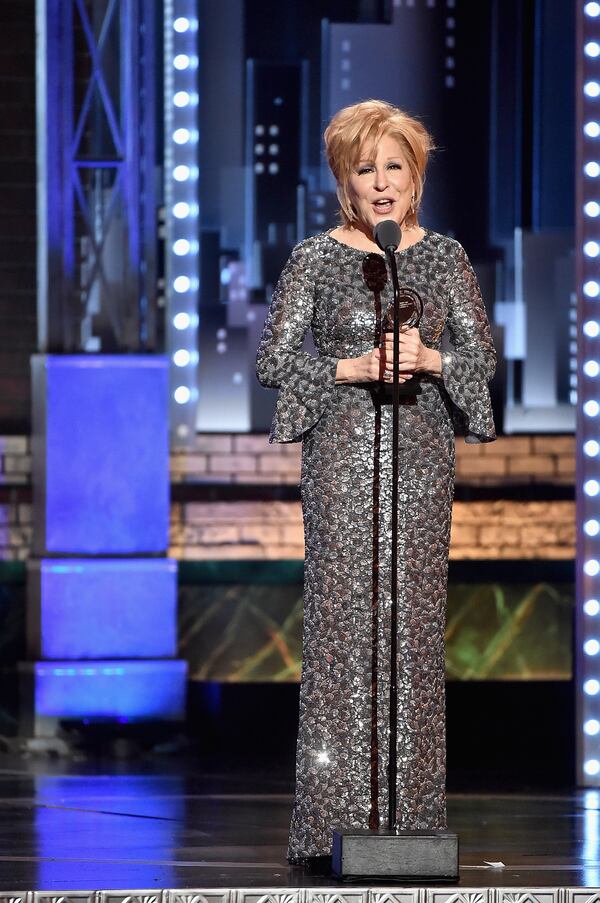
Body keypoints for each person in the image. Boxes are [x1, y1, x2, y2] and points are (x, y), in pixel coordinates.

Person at [255, 99, 496, 865]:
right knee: (343, 628)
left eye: (395, 167)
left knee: (414, 628)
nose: (383, 184)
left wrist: (433, 360)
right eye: (367, 170)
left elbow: (481, 360)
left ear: (416, 177)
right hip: (341, 461)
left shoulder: (445, 258)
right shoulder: (316, 259)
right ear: (344, 182)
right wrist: (348, 366)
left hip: (421, 463)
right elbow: (272, 361)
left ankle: (415, 820)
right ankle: (332, 820)